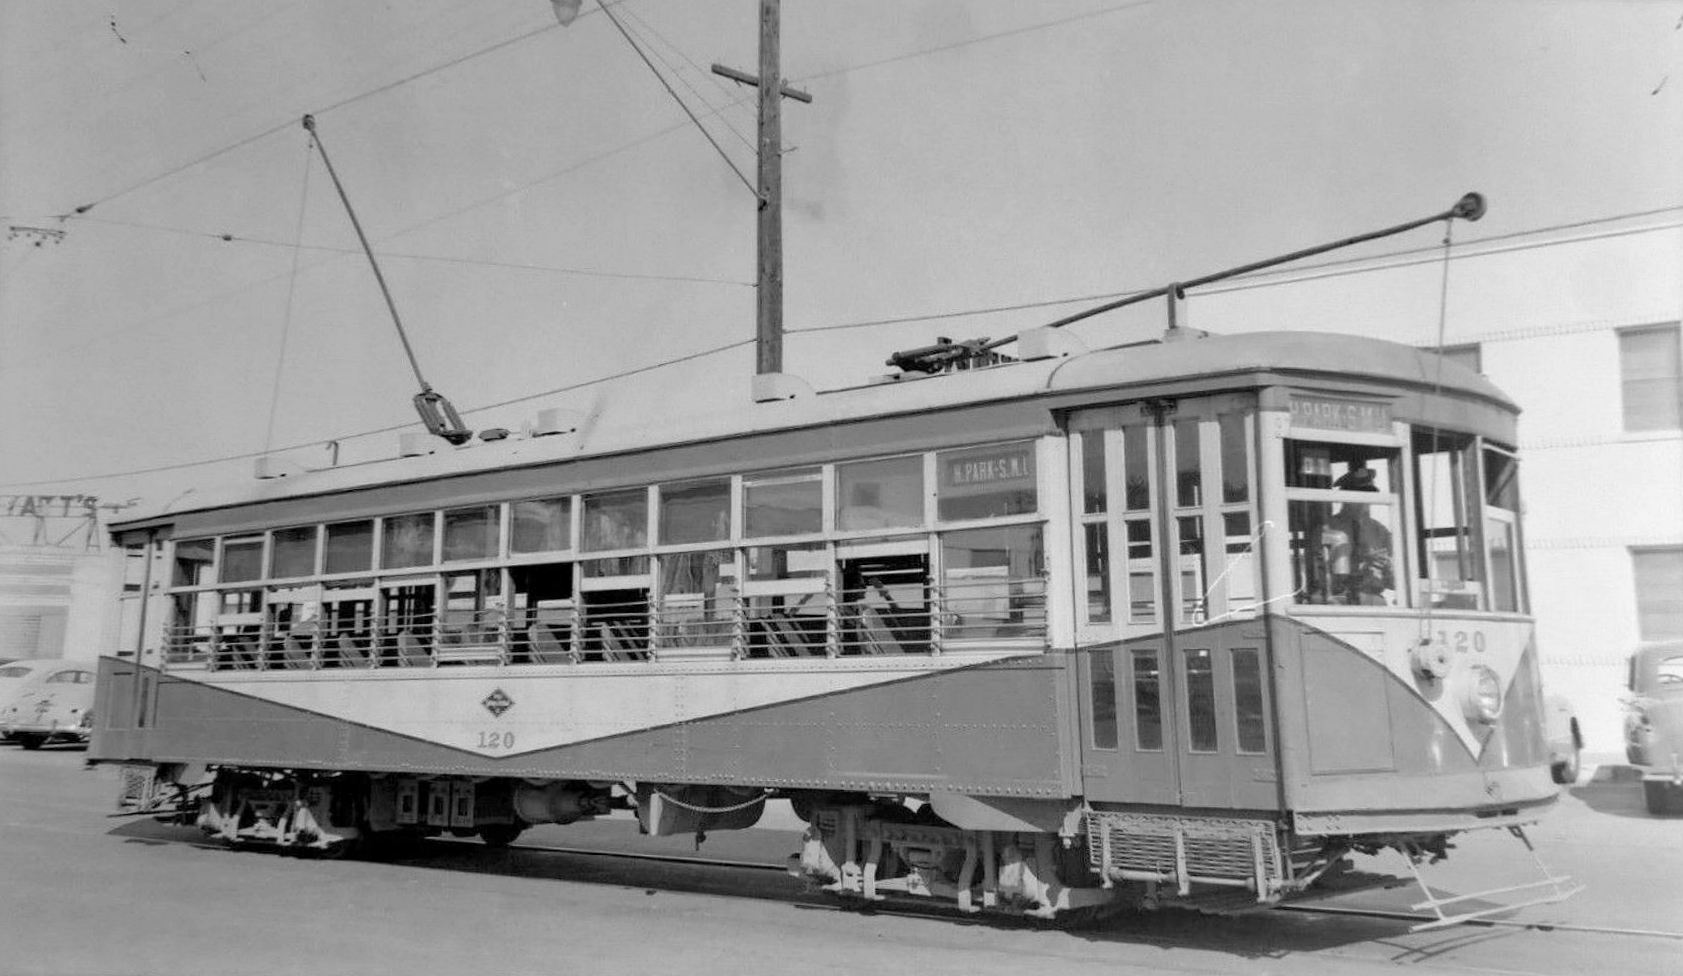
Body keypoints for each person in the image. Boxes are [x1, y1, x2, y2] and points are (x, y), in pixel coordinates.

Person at [1322, 466, 1394, 605]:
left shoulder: (1380, 531)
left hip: (1375, 602)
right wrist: (1361, 564)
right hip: (1339, 602)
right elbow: (1320, 574)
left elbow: (1395, 583)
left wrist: (1387, 568)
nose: (1364, 501)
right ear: (1345, 497)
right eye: (1359, 494)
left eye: (1369, 495)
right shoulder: (1327, 529)